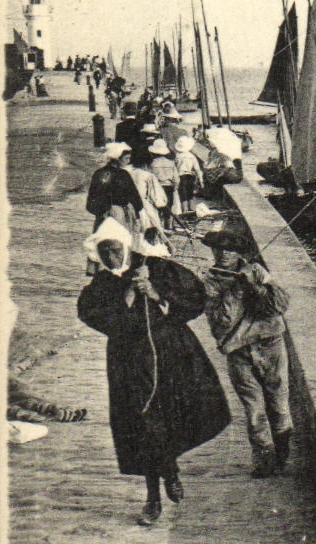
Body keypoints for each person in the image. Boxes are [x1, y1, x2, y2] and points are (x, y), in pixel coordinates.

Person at [76, 221, 231, 525]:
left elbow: (196, 298)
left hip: (171, 357)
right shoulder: (104, 284)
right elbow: (90, 314)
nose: (111, 255)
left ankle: (170, 468)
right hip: (129, 363)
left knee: (169, 419)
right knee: (143, 426)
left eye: (115, 248)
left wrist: (158, 294)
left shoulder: (154, 267)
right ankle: (153, 498)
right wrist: (128, 299)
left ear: (126, 245)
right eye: (104, 250)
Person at [202, 231, 293, 477]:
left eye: (230, 249)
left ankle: (283, 455)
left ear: (239, 253)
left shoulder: (257, 271)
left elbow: (280, 306)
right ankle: (264, 459)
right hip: (239, 352)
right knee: (254, 411)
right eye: (219, 249)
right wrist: (237, 291)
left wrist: (256, 286)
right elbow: (221, 322)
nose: (224, 254)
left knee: (279, 404)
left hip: (270, 344)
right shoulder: (209, 283)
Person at [148, 140, 178, 228]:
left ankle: (158, 224)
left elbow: (150, 176)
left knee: (157, 206)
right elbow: (176, 178)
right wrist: (175, 186)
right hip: (169, 186)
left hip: (157, 186)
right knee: (168, 206)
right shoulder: (171, 162)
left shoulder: (152, 163)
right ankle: (167, 224)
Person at [173, 136, 204, 219]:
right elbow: (197, 169)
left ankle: (185, 210)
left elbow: (174, 168)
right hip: (190, 176)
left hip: (180, 176)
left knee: (183, 194)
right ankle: (191, 209)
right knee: (190, 193)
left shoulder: (177, 156)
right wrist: (201, 180)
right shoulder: (191, 156)